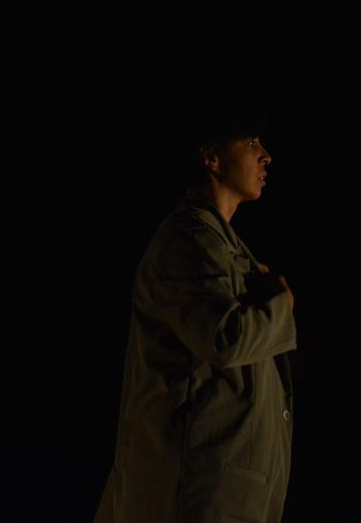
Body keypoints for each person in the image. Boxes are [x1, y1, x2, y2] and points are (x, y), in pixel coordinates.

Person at [94, 102, 297, 523]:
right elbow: (224, 339)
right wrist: (281, 306)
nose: (266, 155)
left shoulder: (224, 248)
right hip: (193, 495)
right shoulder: (188, 242)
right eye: (251, 142)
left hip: (219, 495)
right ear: (211, 158)